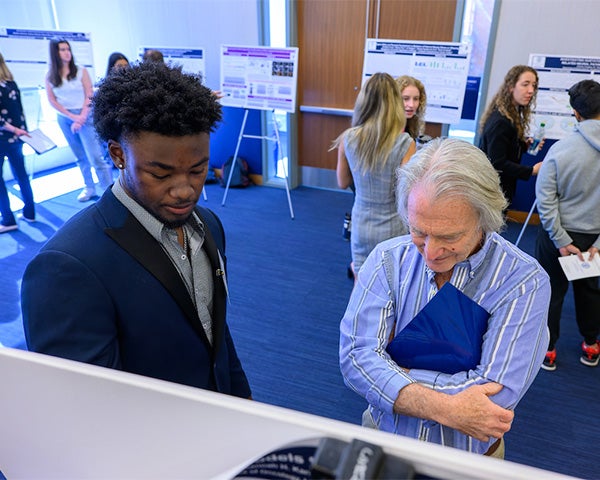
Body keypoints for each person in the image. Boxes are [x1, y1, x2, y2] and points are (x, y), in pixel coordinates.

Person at [21, 61, 252, 399]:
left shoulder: (209, 225)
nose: (185, 190)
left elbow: (215, 335)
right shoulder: (66, 266)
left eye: (198, 169)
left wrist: (244, 408)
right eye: (161, 174)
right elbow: (82, 405)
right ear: (118, 155)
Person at [340, 138, 550, 457]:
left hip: (469, 457)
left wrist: (396, 373)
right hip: (384, 440)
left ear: (485, 219)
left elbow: (496, 393)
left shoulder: (523, 281)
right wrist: (450, 408)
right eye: (419, 231)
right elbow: (356, 359)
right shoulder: (386, 260)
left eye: (450, 237)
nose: (432, 252)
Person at [535, 79, 600, 371]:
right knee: (590, 290)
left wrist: (561, 240)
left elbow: (544, 199)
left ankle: (548, 350)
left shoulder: (560, 150)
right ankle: (591, 343)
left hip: (558, 236)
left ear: (575, 112)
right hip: (594, 238)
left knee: (552, 290)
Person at [334, 72, 416, 279]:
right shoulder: (405, 143)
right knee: (390, 286)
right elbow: (407, 192)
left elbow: (342, 182)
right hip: (393, 226)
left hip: (361, 222)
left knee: (361, 283)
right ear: (395, 104)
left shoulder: (348, 138)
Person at [45, 38, 113, 202]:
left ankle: (109, 192)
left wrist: (81, 117)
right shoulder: (50, 75)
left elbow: (90, 94)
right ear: (55, 52)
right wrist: (72, 117)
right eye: (62, 49)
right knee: (80, 156)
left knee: (95, 156)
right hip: (66, 118)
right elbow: (52, 100)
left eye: (68, 49)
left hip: (85, 115)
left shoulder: (81, 71)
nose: (67, 52)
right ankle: (89, 187)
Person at [479, 65, 544, 208]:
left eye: (533, 85)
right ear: (511, 87)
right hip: (492, 190)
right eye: (525, 84)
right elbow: (497, 162)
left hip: (499, 188)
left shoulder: (509, 115)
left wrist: (524, 146)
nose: (531, 91)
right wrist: (531, 171)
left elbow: (504, 148)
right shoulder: (501, 121)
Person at [0, 51, 36, 233]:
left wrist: (15, 130)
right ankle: (30, 212)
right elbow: (20, 113)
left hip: (3, 138)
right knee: (21, 176)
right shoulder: (11, 84)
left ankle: (7, 219)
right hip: (16, 139)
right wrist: (22, 132)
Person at [396, 75, 427, 141]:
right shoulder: (385, 127)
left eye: (416, 99)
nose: (411, 105)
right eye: (406, 98)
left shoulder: (412, 123)